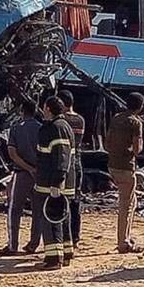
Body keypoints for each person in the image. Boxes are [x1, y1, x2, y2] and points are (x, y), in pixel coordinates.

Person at [33, 96, 76, 269]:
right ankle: (65, 254)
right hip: (60, 183)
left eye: (44, 107)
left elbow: (61, 157)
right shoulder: (62, 126)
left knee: (51, 219)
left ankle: (53, 259)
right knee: (62, 218)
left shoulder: (56, 128)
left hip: (52, 184)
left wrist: (56, 183)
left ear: (49, 109)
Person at [0, 101, 43, 256]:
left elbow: (12, 153)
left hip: (21, 173)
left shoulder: (16, 128)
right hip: (39, 175)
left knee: (14, 209)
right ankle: (33, 244)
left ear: (22, 111)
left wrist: (28, 167)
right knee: (38, 210)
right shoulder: (41, 128)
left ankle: (13, 245)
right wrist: (36, 169)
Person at [106, 92, 144, 254]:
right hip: (126, 168)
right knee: (126, 206)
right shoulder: (136, 123)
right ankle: (123, 242)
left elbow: (107, 142)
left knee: (132, 202)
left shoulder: (116, 118)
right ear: (140, 107)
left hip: (112, 166)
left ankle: (127, 236)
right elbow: (137, 150)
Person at [58, 89, 85, 247]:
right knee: (76, 199)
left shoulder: (62, 121)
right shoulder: (80, 120)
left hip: (65, 162)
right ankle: (75, 236)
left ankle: (63, 235)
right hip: (77, 162)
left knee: (61, 200)